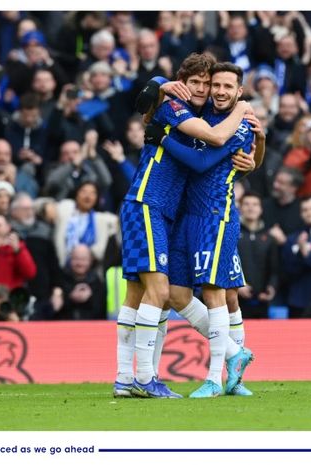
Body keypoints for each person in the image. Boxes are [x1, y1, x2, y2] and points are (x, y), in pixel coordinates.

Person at [114, 53, 254, 399]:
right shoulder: (173, 106)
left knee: (145, 295)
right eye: (197, 82)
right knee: (161, 293)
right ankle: (145, 378)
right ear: (182, 82)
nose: (204, 89)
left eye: (208, 84)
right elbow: (211, 142)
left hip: (168, 212)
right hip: (148, 203)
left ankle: (124, 377)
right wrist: (161, 83)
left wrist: (257, 148)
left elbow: (209, 153)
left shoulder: (194, 114)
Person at [150, 62, 261, 398]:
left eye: (229, 87)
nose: (220, 91)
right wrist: (162, 84)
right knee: (176, 295)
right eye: (217, 85)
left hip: (216, 216)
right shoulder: (201, 113)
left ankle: (216, 379)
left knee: (218, 293)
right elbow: (155, 91)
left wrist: (164, 140)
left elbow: (200, 163)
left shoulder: (240, 126)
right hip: (186, 217)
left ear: (239, 91)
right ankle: (235, 355)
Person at [236, 192, 279, 319]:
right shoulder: (231, 234)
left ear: (261, 209)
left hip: (262, 301)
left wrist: (271, 287)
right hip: (235, 300)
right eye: (247, 204)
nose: (251, 208)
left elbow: (275, 268)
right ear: (240, 208)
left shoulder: (270, 238)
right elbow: (224, 264)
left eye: (255, 204)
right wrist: (237, 285)